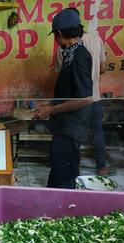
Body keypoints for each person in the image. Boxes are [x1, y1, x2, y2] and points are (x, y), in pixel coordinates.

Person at [32, 8, 93, 189]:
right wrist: (49, 104)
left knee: (65, 175)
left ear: (59, 34)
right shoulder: (71, 54)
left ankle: (64, 211)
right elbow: (69, 92)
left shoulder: (79, 56)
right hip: (65, 125)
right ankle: (55, 206)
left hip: (72, 127)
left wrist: (51, 110)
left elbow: (86, 98)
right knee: (59, 168)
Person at [55, 8, 113, 177]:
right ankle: (101, 167)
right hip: (94, 96)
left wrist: (51, 108)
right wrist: (91, 76)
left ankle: (74, 169)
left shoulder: (66, 48)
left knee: (73, 136)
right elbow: (103, 68)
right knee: (97, 131)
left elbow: (62, 73)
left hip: (74, 103)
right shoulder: (96, 39)